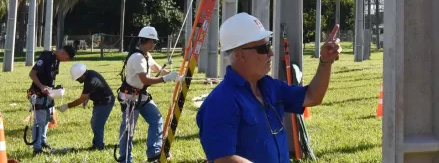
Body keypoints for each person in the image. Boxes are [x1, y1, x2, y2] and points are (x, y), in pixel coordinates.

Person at [196, 13, 341, 163]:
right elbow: (224, 159)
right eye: (263, 48)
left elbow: (312, 97)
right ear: (240, 55)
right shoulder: (220, 102)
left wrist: (325, 62)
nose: (271, 53)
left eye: (269, 45)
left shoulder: (271, 86)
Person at [117, 26, 184, 163]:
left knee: (156, 119)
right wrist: (165, 79)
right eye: (153, 41)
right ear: (145, 41)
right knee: (128, 131)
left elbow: (157, 69)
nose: (154, 44)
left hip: (141, 96)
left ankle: (154, 152)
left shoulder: (147, 55)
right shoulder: (137, 58)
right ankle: (125, 159)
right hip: (131, 98)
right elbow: (145, 80)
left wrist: (175, 76)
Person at [27, 44, 76, 155]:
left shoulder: (56, 60)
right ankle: (37, 149)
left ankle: (43, 142)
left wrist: (54, 90)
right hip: (38, 93)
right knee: (39, 122)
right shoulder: (46, 57)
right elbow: (32, 74)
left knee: (46, 120)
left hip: (48, 94)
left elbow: (50, 77)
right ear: (63, 53)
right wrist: (41, 86)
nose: (66, 61)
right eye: (67, 58)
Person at [57, 63, 115, 150]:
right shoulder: (90, 74)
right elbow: (93, 89)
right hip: (100, 101)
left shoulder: (90, 80)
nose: (77, 80)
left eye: (78, 78)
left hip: (105, 102)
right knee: (95, 123)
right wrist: (87, 98)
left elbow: (81, 99)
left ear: (82, 75)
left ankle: (98, 146)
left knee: (97, 124)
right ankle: (96, 144)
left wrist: (67, 106)